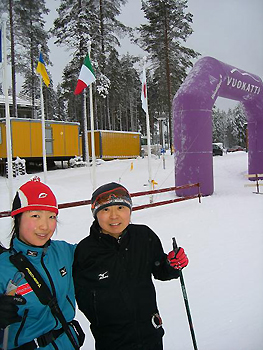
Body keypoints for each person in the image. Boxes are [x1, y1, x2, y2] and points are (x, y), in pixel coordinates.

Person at [73, 182, 189, 350]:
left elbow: (160, 270)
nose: (114, 216)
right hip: (112, 342)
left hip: (150, 334)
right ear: (95, 213)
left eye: (121, 208)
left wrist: (171, 265)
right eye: (105, 209)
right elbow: (80, 295)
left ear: (130, 210)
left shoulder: (143, 236)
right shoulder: (85, 251)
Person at [0, 177, 84, 350]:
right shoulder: (3, 267)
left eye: (51, 216)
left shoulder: (65, 252)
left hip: (68, 343)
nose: (45, 226)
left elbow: (101, 251)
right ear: (17, 217)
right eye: (35, 215)